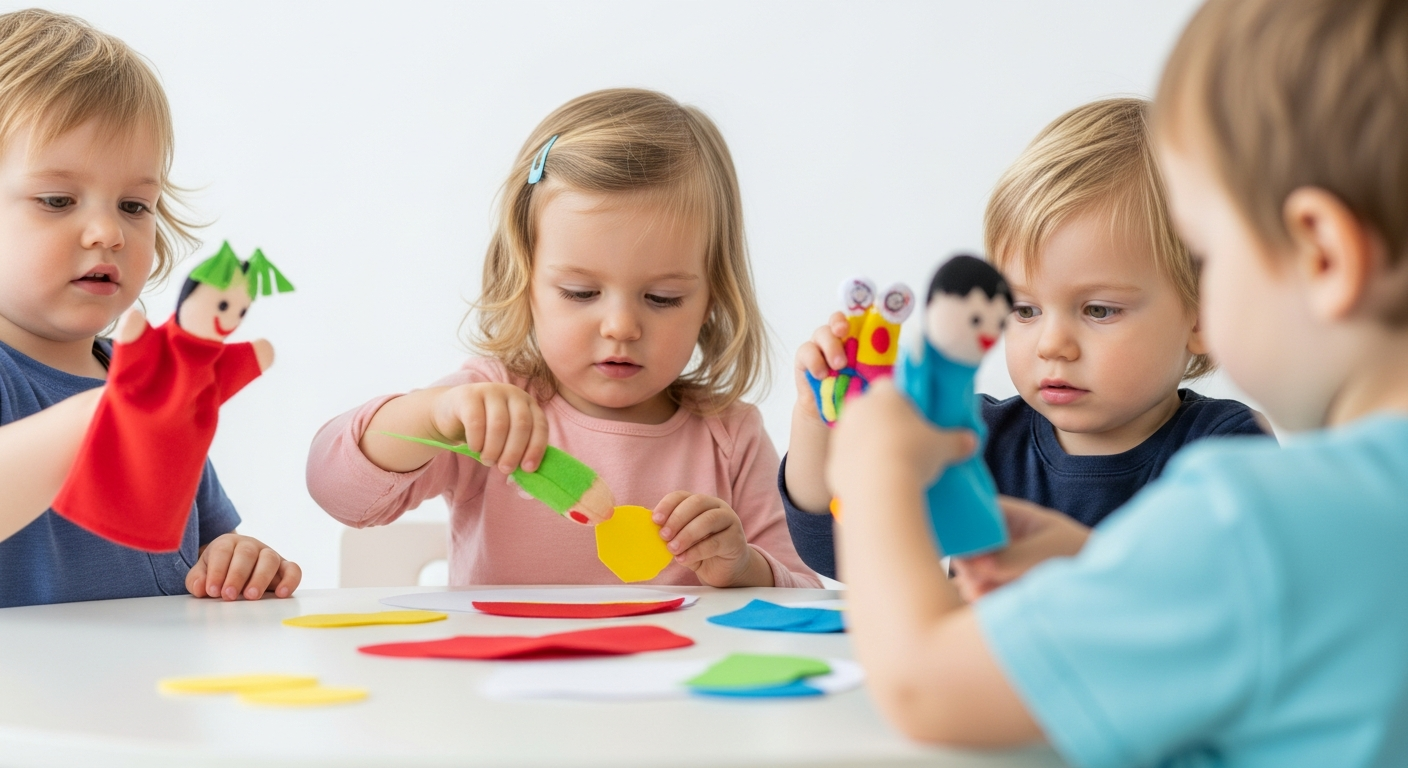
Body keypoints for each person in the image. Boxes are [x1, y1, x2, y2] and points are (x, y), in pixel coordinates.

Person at [830, 0, 1408, 764]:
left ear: (1323, 256)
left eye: (1206, 249)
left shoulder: (1249, 520)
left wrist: (870, 470)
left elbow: (926, 690)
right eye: (1027, 309)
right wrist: (1101, 572)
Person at [307, 89, 818, 589]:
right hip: (504, 669)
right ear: (524, 281)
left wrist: (743, 568)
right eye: (580, 292)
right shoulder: (489, 410)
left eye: (662, 298)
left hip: (672, 673)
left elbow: (803, 596)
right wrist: (433, 416)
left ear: (713, 296)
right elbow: (335, 490)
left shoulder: (729, 436)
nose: (620, 326)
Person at [784, 97, 1265, 580]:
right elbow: (842, 555)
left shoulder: (1223, 450)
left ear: (1204, 316)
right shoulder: (970, 436)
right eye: (1024, 310)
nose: (1051, 344)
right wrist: (817, 424)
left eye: (1099, 310)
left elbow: (1237, 599)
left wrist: (1081, 558)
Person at [0, 10, 300, 608]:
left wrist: (234, 560)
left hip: (149, 694)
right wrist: (113, 411)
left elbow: (204, 545)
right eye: (57, 200)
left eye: (135, 206)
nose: (107, 232)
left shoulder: (143, 380)